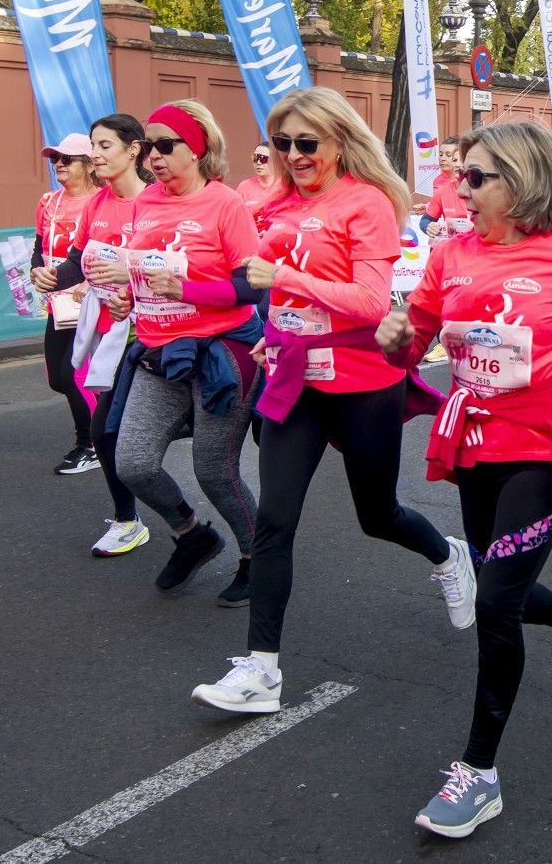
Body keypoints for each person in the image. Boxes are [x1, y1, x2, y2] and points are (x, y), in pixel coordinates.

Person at [375, 122, 552, 838]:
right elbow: (420, 333)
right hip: (474, 443)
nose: (459, 188)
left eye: (475, 176)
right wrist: (400, 338)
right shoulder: (449, 253)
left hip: (547, 448)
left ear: (519, 183)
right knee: (504, 583)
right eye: (461, 175)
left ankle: (480, 774)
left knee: (495, 603)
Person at [191, 88, 476, 714]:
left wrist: (285, 280)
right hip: (298, 383)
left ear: (339, 141)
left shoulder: (367, 203)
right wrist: (170, 284)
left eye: (306, 143)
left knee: (377, 515)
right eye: (282, 144)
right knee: (275, 520)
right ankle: (262, 670)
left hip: (364, 382)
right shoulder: (280, 206)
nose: (293, 155)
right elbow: (252, 287)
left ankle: (446, 553)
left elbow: (373, 303)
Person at [105, 100, 263, 604]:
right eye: (148, 147)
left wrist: (186, 289)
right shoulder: (146, 202)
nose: (153, 156)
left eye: (166, 145)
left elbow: (250, 288)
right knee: (132, 463)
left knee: (213, 469)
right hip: (159, 352)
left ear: (196, 149)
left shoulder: (225, 203)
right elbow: (144, 274)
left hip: (222, 352)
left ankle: (258, 556)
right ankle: (193, 535)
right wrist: (126, 295)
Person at [35, 113, 154, 557]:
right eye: (93, 146)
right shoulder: (97, 205)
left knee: (115, 429)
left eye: (104, 146)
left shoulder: (156, 203)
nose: (94, 155)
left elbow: (172, 268)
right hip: (107, 332)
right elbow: (76, 260)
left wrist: (134, 289)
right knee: (107, 431)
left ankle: (160, 514)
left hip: (152, 334)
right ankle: (129, 519)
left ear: (133, 150)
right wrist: (54, 276)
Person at [33, 134, 102, 476]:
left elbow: (111, 248)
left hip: (90, 300)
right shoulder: (48, 202)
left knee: (73, 376)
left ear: (90, 166)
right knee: (57, 381)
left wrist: (89, 282)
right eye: (55, 158)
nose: (59, 163)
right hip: (57, 302)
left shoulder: (102, 203)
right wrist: (37, 272)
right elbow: (38, 247)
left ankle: (91, 444)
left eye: (68, 159)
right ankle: (106, 415)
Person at [421, 139, 475, 240]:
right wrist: (429, 227)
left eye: (461, 161)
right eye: (454, 160)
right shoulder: (442, 191)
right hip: (451, 247)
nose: (457, 165)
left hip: (475, 248)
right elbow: (425, 220)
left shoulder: (483, 190)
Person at [235, 142, 279, 231]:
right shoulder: (244, 187)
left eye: (263, 159)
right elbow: (236, 220)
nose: (258, 162)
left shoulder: (286, 186)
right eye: (256, 158)